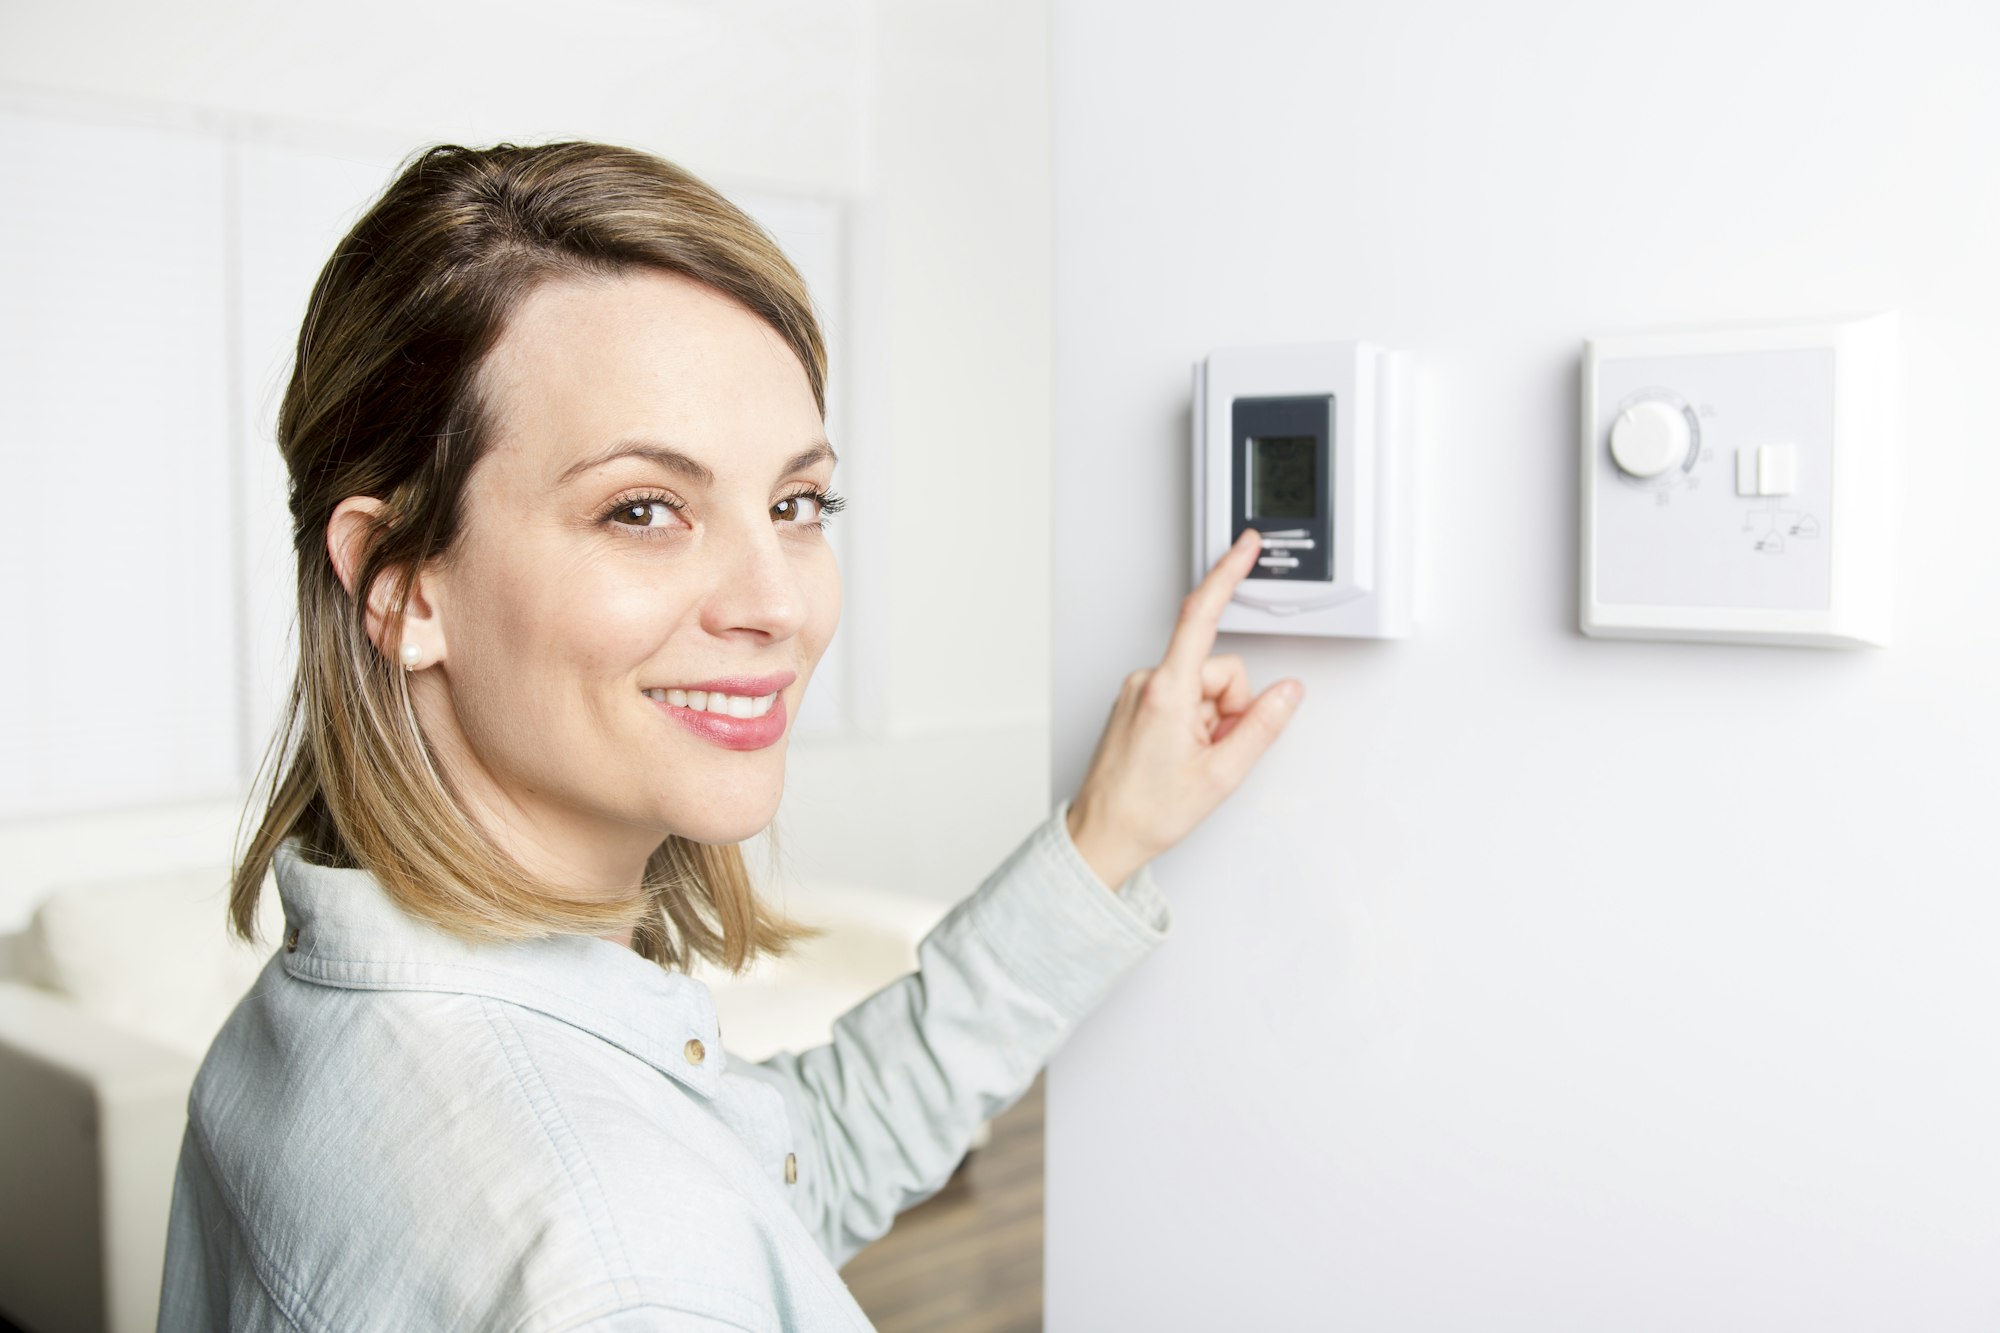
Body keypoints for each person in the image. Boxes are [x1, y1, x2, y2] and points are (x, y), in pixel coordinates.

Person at [156, 140, 1303, 1331]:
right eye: (644, 509)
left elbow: (787, 1166)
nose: (777, 603)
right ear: (399, 584)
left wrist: (1100, 840)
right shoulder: (621, 1265)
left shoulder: (306, 1022)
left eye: (795, 504)